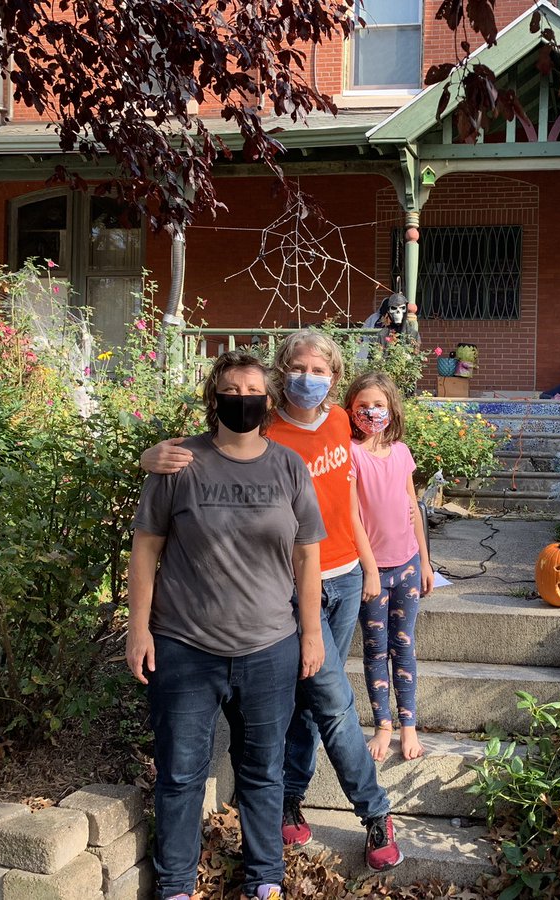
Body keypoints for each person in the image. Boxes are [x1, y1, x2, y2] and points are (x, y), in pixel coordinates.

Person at [140, 331, 403, 873]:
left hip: (345, 578)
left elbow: (352, 489)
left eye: (321, 368)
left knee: (310, 697)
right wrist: (149, 456)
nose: (311, 377)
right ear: (283, 374)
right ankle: (373, 811)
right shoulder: (264, 427)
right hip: (287, 590)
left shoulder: (336, 421)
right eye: (299, 367)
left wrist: (371, 561)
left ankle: (290, 800)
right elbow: (204, 454)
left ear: (333, 375)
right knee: (330, 699)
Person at [126, 350, 325, 900]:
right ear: (214, 398)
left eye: (253, 392)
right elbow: (146, 549)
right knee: (181, 772)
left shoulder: (289, 467)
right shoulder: (177, 462)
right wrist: (137, 629)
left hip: (270, 647)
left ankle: (265, 877)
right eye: (231, 391)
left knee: (262, 770)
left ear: (268, 400)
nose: (243, 400)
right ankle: (175, 883)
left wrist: (311, 633)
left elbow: (308, 557)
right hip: (185, 647)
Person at [343, 372, 435, 762]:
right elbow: (351, 516)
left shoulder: (400, 451)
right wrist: (367, 570)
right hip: (374, 571)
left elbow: (413, 507)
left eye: (378, 404)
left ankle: (408, 723)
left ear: (391, 408)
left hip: (409, 565)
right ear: (351, 409)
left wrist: (426, 562)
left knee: (405, 645)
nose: (371, 411)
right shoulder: (349, 453)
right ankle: (383, 725)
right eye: (363, 405)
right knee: (376, 649)